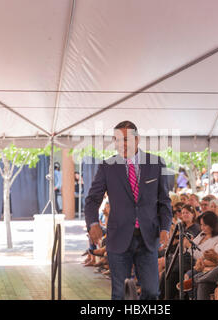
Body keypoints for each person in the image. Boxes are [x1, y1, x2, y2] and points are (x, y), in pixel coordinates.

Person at [84, 120, 172, 300]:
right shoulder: (107, 166)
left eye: (125, 139)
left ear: (137, 139)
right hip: (118, 237)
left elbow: (164, 201)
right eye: (117, 140)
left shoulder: (155, 164)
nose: (121, 144)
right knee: (119, 293)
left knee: (151, 292)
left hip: (148, 237)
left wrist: (165, 228)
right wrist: (93, 223)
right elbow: (93, 199)